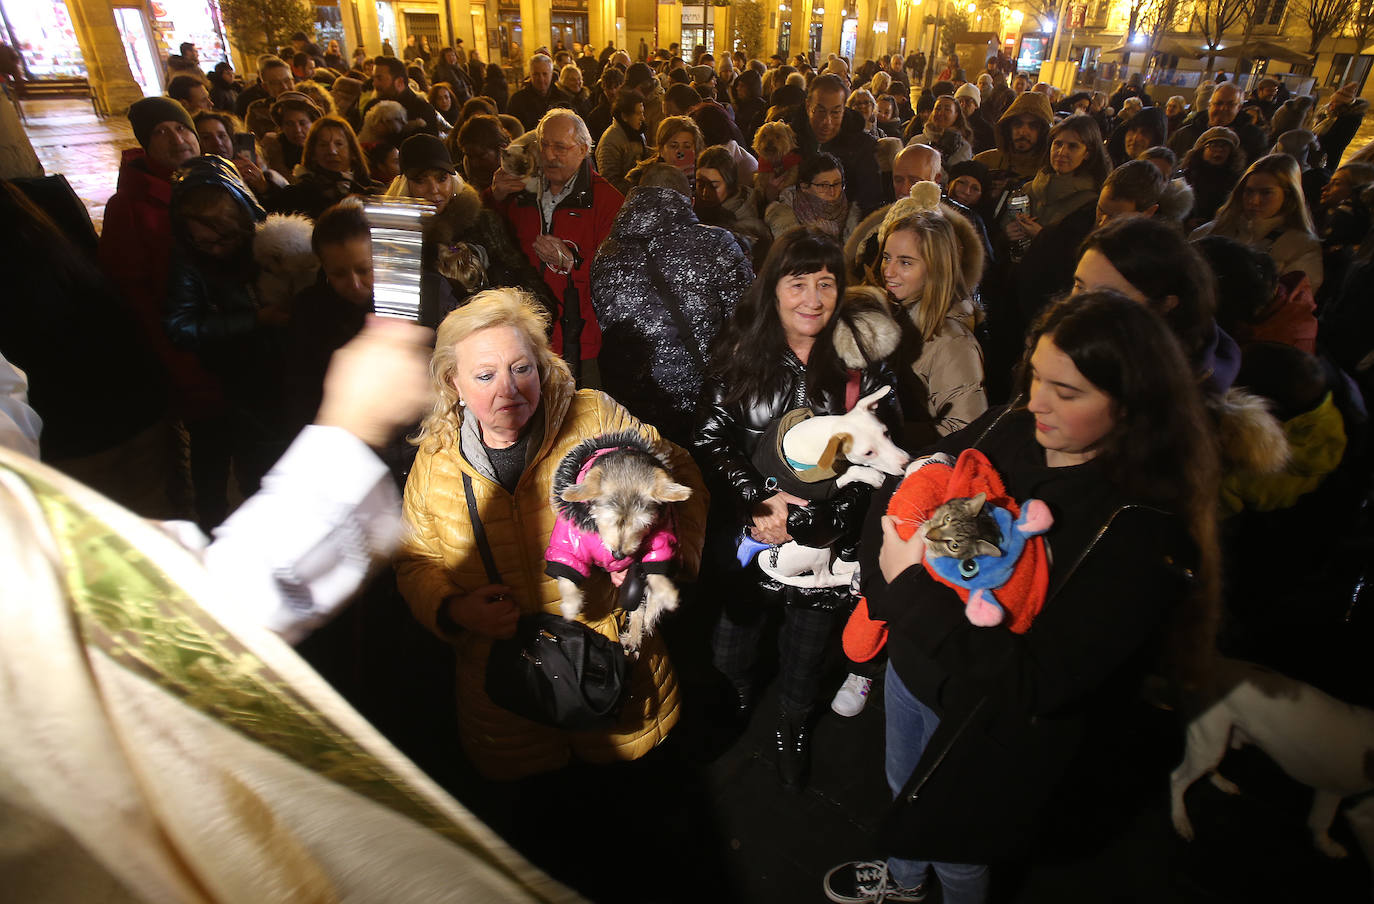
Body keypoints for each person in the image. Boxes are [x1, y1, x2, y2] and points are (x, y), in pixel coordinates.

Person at [823, 291, 1220, 904]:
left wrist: (906, 590)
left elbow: (1040, 684)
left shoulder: (1139, 527)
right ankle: (903, 883)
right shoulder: (1014, 423)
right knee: (903, 785)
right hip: (913, 668)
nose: (1037, 403)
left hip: (982, 721)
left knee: (958, 844)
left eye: (1068, 392)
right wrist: (886, 588)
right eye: (1036, 376)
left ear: (1135, 403)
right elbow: (918, 480)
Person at [395, 289, 707, 781]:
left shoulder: (595, 417)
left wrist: (670, 559)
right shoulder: (433, 465)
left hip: (617, 672)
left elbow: (679, 471)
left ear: (542, 366)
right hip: (508, 700)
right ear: (452, 382)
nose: (509, 390)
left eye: (522, 368)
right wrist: (454, 610)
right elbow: (415, 560)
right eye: (485, 375)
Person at [695, 230, 901, 788]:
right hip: (753, 537)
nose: (812, 298)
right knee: (731, 646)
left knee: (806, 655)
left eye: (826, 283)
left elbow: (884, 458)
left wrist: (834, 519)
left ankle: (792, 728)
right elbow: (711, 437)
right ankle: (732, 712)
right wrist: (755, 498)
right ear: (774, 287)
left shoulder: (862, 363)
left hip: (826, 552)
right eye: (798, 282)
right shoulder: (741, 348)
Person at [100, 97, 224, 506]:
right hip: (185, 350)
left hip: (235, 339)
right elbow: (134, 293)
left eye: (182, 128)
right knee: (208, 449)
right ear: (145, 144)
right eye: (161, 132)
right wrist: (177, 362)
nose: (177, 138)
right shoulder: (129, 207)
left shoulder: (217, 181)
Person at [590, 164, 754, 444]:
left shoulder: (605, 253)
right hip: (706, 410)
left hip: (634, 417)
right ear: (688, 201)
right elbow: (750, 320)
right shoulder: (715, 243)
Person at [488, 109, 624, 386]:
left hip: (581, 336)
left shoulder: (607, 200)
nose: (549, 155)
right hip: (525, 333)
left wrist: (573, 263)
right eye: (544, 145)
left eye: (560, 147)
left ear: (584, 149)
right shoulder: (519, 189)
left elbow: (618, 275)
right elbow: (489, 243)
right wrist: (494, 198)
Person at [385, 134, 551, 326]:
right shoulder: (396, 237)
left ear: (453, 180)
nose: (434, 189)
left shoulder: (483, 222)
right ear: (405, 186)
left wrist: (532, 321)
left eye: (441, 178)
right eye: (421, 181)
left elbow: (522, 277)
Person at [874, 187, 988, 446]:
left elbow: (965, 429)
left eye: (905, 262)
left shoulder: (953, 343)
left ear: (936, 267)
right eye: (886, 257)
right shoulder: (892, 315)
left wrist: (886, 436)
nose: (888, 271)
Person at [1192, 153, 1323, 291]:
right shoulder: (1212, 231)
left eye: (1266, 193)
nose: (1254, 201)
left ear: (1288, 195)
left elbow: (1291, 300)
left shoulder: (1301, 247)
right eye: (1249, 191)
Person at [785, 74, 885, 216]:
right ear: (808, 106)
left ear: (844, 110)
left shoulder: (863, 147)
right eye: (820, 111)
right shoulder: (788, 141)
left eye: (835, 113)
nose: (827, 121)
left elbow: (869, 203)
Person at [271, 114, 375, 219]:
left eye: (339, 144)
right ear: (313, 154)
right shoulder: (296, 196)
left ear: (352, 152)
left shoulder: (372, 192)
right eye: (323, 145)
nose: (332, 151)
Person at [693, 143, 770, 264]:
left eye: (714, 186)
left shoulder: (747, 225)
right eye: (700, 184)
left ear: (730, 185)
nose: (705, 192)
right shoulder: (690, 207)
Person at [1169, 83, 1267, 171]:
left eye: (1230, 104)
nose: (1223, 108)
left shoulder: (1253, 138)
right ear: (1209, 105)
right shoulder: (1185, 133)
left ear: (1239, 107)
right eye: (1218, 103)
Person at [766, 152, 862, 242]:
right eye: (823, 185)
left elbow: (854, 257)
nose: (832, 191)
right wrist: (821, 237)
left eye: (837, 183)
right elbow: (792, 255)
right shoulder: (782, 214)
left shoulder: (852, 215)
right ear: (804, 186)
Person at [1179, 125, 1246, 229]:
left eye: (1224, 146)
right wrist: (1185, 221)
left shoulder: (1236, 180)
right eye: (1213, 145)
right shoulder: (1186, 175)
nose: (1219, 150)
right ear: (1202, 149)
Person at [366, 56, 441, 136]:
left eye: (380, 78)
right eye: (374, 78)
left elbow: (430, 146)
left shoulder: (422, 109)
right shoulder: (372, 108)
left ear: (399, 82)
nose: (374, 84)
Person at [594, 88, 649, 194]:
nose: (643, 118)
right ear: (624, 116)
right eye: (638, 114)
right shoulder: (610, 142)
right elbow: (609, 183)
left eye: (643, 113)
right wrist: (636, 187)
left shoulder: (636, 132)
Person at [626, 114, 703, 188]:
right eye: (673, 146)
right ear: (661, 150)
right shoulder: (642, 179)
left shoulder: (705, 178)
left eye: (687, 146)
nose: (680, 153)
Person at [261, 91, 322, 180]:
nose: (297, 130)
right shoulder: (274, 149)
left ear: (313, 123)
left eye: (302, 123)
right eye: (289, 124)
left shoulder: (325, 147)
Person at [508, 54, 574, 132]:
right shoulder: (518, 100)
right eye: (536, 74)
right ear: (530, 75)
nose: (541, 79)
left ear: (551, 74)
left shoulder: (563, 99)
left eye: (545, 74)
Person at [1313, 83, 1369, 173]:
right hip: (1317, 150)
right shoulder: (1327, 112)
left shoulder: (1352, 118)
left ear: (1344, 104)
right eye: (1332, 101)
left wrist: (1320, 141)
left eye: (1336, 102)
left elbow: (1340, 142)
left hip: (1330, 154)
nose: (1331, 104)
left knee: (1325, 173)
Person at [918, 94, 974, 172]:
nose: (941, 113)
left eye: (947, 109)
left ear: (956, 115)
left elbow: (956, 175)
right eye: (937, 108)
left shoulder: (962, 147)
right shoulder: (917, 141)